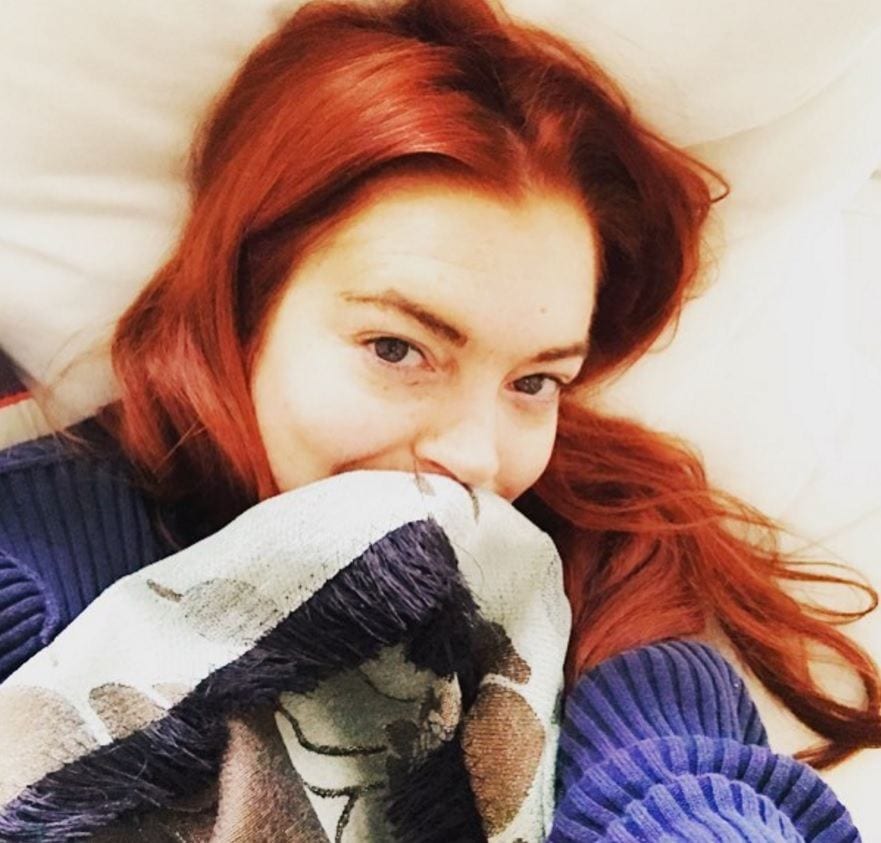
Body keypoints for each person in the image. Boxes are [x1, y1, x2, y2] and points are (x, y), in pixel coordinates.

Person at [0, 0, 878, 837]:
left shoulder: (589, 561)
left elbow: (670, 774)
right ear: (241, 309)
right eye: (396, 348)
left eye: (534, 381)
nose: (475, 458)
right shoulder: (39, 565)